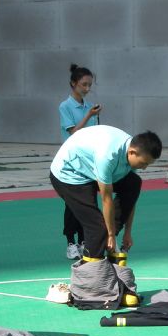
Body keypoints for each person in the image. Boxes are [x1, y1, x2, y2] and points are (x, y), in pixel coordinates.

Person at [49, 125, 162, 262]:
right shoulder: (107, 156)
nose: (144, 168)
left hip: (90, 167)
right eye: (143, 163)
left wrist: (127, 232)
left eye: (147, 164)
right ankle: (90, 269)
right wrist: (110, 234)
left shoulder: (132, 151)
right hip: (69, 175)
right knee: (98, 228)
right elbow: (106, 199)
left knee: (134, 183)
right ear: (132, 152)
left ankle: (105, 242)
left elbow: (130, 200)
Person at [58, 64, 102, 259]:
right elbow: (73, 132)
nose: (87, 88)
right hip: (71, 162)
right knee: (72, 203)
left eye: (89, 85)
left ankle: (84, 240)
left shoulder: (89, 106)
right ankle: (70, 242)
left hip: (88, 162)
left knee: (89, 201)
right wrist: (89, 115)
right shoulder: (65, 107)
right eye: (84, 84)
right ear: (73, 84)